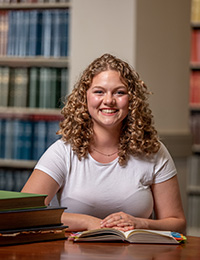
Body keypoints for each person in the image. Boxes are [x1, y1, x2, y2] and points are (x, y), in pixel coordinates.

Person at [22, 53, 186, 234]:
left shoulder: (154, 151)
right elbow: (25, 212)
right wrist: (89, 222)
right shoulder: (63, 152)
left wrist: (141, 223)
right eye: (99, 91)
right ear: (85, 98)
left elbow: (177, 223)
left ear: (132, 100)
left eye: (120, 92)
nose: (109, 100)